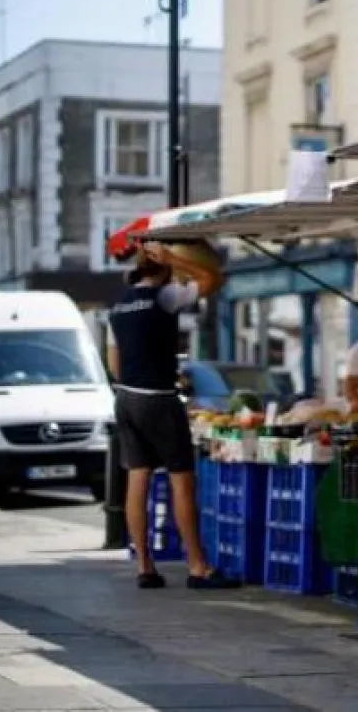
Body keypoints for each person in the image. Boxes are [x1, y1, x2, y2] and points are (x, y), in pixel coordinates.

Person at [107, 242, 239, 591]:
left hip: (126, 399)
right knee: (182, 480)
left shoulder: (117, 307)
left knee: (138, 477)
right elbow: (213, 279)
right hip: (160, 400)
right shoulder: (165, 297)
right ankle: (198, 567)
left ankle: (144, 566)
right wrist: (176, 259)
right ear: (161, 268)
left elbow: (114, 364)